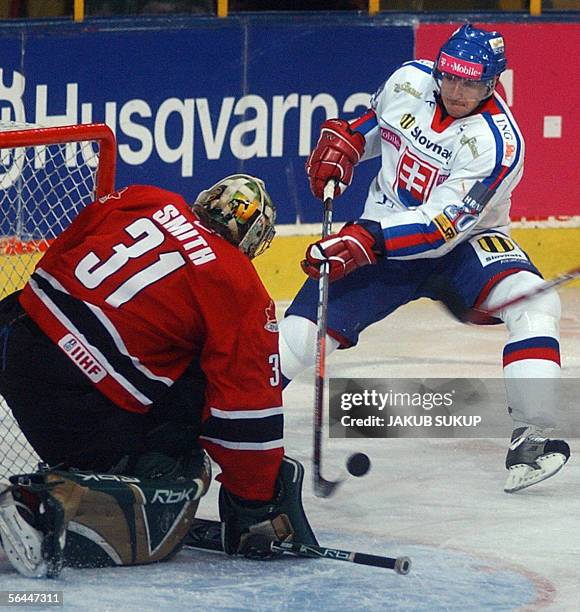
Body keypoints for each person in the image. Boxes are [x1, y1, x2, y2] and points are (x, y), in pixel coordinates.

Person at [278, 24, 570, 493]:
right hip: (383, 229)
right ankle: (229, 422)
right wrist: (350, 143)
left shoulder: (498, 144)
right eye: (449, 77)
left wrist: (366, 239)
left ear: (492, 82)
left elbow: (439, 229)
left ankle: (532, 437)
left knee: (534, 305)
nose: (456, 91)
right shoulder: (409, 80)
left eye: (470, 82)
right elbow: (377, 124)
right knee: (299, 333)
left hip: (463, 247)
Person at [0, 174, 317, 578]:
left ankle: (84, 465)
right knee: (180, 461)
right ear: (255, 239)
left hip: (16, 330)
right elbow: (246, 410)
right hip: (74, 398)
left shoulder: (144, 198)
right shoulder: (238, 282)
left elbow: (66, 250)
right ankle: (49, 510)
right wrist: (254, 502)